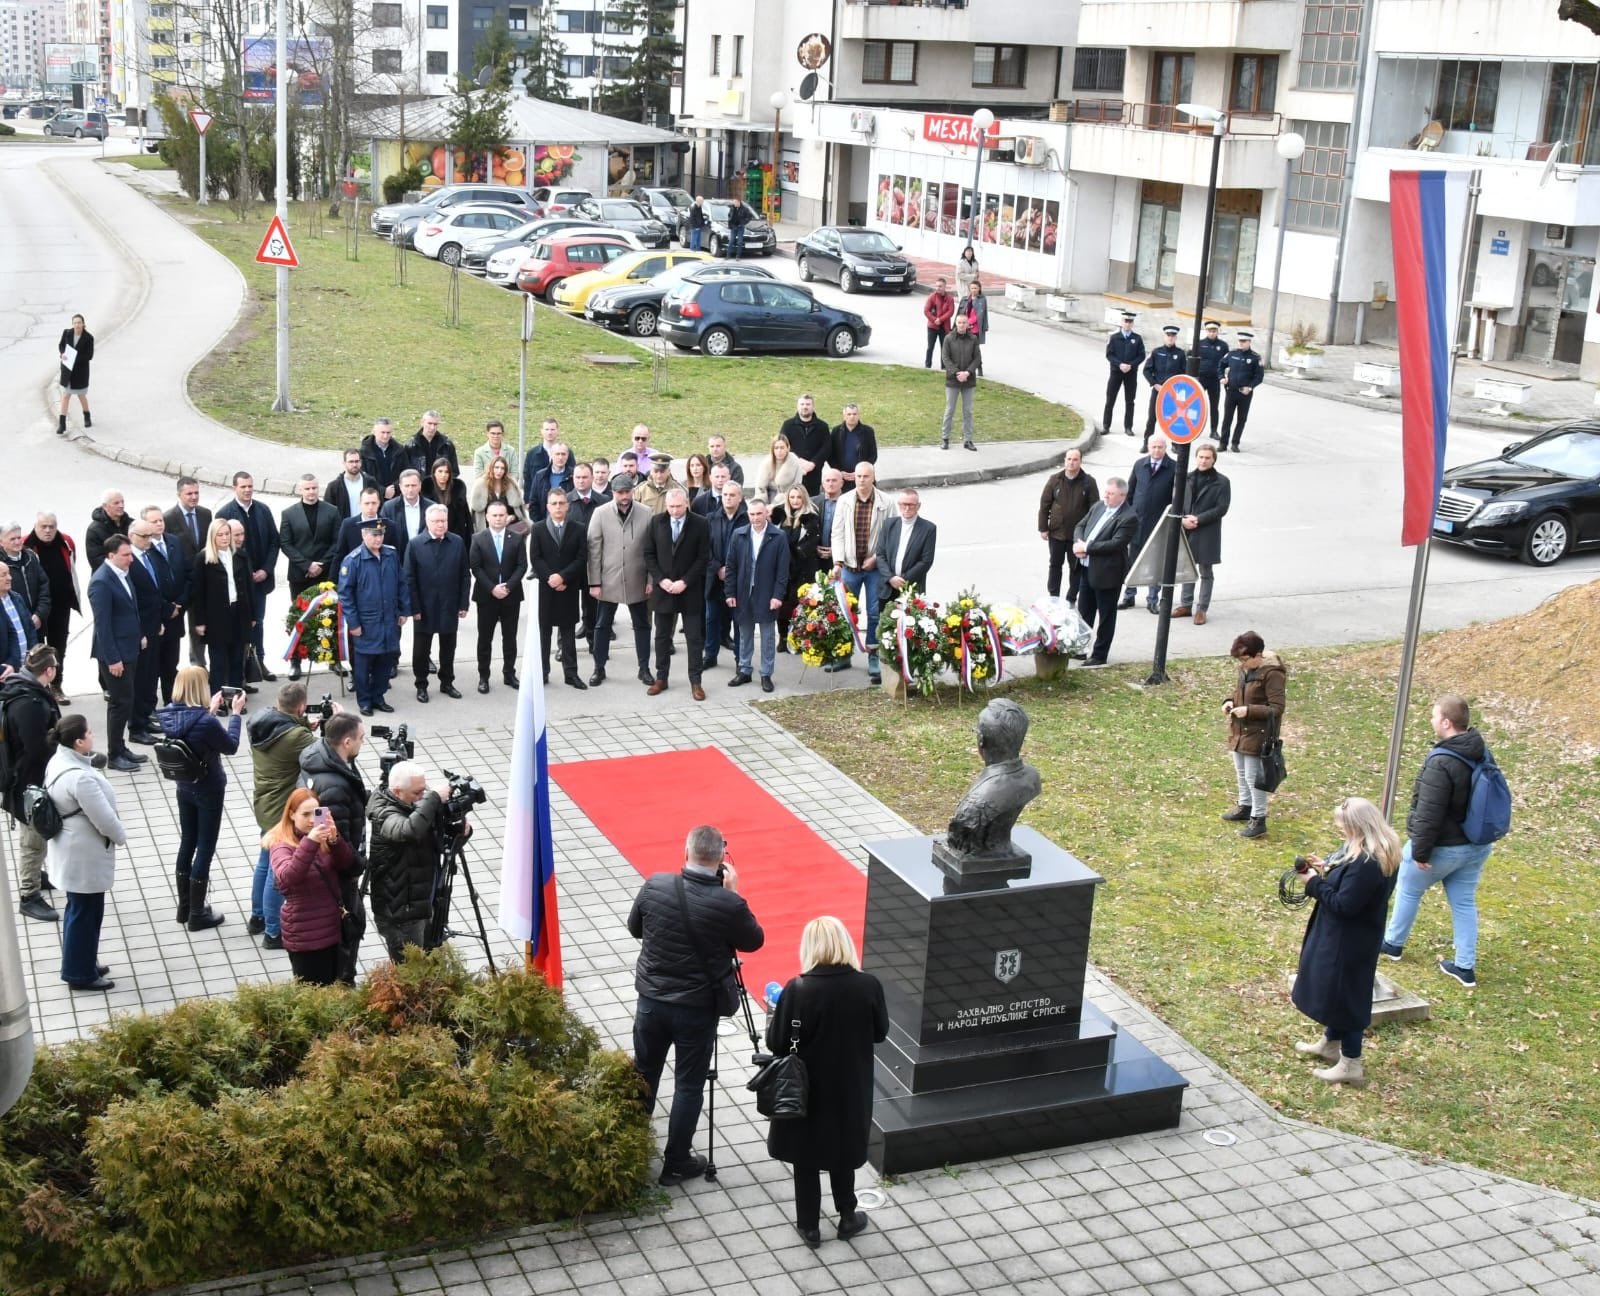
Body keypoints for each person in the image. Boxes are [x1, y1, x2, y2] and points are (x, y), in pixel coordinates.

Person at [628, 824, 765, 1185]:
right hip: (697, 1009)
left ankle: (627, 1151)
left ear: (686, 852)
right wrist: (733, 894)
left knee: (644, 1073)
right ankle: (676, 1162)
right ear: (721, 860)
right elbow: (753, 941)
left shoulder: (655, 885)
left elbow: (635, 929)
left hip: (651, 1002)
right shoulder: (729, 903)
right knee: (688, 1085)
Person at [765, 916, 888, 1247]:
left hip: (807, 1088)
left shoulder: (798, 989)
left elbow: (777, 1043)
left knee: (805, 1155)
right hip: (850, 1086)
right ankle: (847, 1216)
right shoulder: (868, 985)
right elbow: (880, 1033)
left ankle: (809, 1227)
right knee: (842, 1149)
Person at [1380, 694, 1498, 988]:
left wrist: (1420, 852)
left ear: (1446, 722)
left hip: (1444, 848)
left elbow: (1428, 812)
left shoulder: (1442, 761)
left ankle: (1393, 944)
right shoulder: (1480, 750)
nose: (1431, 720)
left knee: (1409, 889)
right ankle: (1465, 967)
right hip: (1476, 846)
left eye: (1434, 716)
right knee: (1464, 903)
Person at [1291, 797, 1401, 1088]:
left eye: (1343, 825)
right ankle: (1330, 1043)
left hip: (1348, 941)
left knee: (1348, 998)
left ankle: (1351, 1062)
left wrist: (1313, 883)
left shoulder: (1367, 863)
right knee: (1338, 992)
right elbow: (1352, 888)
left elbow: (1344, 905)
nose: (1340, 830)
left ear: (1358, 826)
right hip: (1355, 937)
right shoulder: (1376, 851)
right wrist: (1329, 868)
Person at [44, 714, 126, 991]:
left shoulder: (59, 760)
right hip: (83, 854)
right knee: (85, 913)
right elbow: (104, 818)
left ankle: (83, 961)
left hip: (72, 850)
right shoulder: (80, 778)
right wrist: (120, 836)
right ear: (79, 742)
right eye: (89, 732)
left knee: (80, 910)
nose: (93, 735)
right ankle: (80, 973)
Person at [159, 664, 244, 930]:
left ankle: (184, 907)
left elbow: (192, 731)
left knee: (188, 841)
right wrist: (236, 715)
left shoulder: (169, 714)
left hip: (184, 786)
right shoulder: (206, 722)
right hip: (209, 788)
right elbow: (230, 746)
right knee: (205, 847)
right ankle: (198, 914)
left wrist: (210, 711)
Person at [248, 681, 324, 950]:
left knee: (264, 862)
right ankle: (273, 932)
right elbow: (322, 755)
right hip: (282, 810)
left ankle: (257, 917)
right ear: (301, 707)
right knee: (276, 873)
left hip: (264, 803)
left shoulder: (260, 722)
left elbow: (288, 735)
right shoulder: (297, 737)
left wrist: (302, 725)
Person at [297, 712, 369, 983]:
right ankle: (344, 982)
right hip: (338, 876)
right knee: (350, 926)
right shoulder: (334, 787)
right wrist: (357, 865)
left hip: (327, 869)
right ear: (347, 742)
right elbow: (335, 842)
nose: (363, 743)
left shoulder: (318, 758)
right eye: (361, 738)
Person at [268, 788, 359, 986]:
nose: (311, 820)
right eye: (305, 814)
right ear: (291, 814)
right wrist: (310, 842)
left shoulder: (322, 837)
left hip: (332, 929)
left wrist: (335, 840)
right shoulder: (281, 844)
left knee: (335, 987)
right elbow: (287, 878)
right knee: (313, 993)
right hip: (305, 936)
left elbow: (348, 866)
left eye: (316, 813)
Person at [1, 645, 62, 922]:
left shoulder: (25, 690)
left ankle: (37, 874)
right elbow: (37, 749)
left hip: (26, 777)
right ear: (48, 670)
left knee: (36, 835)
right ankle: (29, 895)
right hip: (28, 783)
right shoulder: (30, 704)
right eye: (55, 666)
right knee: (32, 839)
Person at [366, 760, 447, 962]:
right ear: (397, 791)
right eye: (417, 793)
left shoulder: (411, 804)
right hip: (400, 914)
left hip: (420, 903)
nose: (422, 796)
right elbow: (408, 831)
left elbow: (439, 840)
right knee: (411, 972)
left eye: (425, 790)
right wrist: (434, 799)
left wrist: (462, 830)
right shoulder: (384, 813)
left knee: (430, 967)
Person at [586, 472, 654, 688]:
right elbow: (593, 550)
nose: (624, 497)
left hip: (637, 579)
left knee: (642, 625)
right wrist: (594, 582)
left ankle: (644, 668)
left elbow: (652, 550)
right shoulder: (600, 513)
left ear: (632, 491)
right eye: (620, 493)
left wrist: (651, 579)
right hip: (609, 579)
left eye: (627, 492)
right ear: (613, 493)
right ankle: (599, 667)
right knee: (602, 625)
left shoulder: (646, 513)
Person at [338, 518, 411, 716]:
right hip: (366, 622)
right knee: (363, 664)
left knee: (385, 661)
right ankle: (364, 701)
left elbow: (401, 583)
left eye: (381, 535)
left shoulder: (391, 554)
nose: (378, 539)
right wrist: (353, 623)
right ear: (364, 535)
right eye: (374, 535)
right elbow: (345, 595)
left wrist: (404, 610)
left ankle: (379, 697)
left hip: (389, 619)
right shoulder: (353, 560)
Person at [642, 489, 710, 699]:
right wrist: (661, 579)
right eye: (671, 507)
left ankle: (696, 682)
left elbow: (703, 557)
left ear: (686, 503)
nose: (674, 511)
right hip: (664, 589)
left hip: (690, 590)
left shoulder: (700, 523)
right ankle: (661, 678)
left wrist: (685, 581)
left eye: (678, 506)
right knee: (662, 636)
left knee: (694, 638)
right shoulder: (656, 522)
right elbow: (649, 554)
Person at [87, 534, 145, 773]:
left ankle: (121, 747)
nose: (131, 559)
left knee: (127, 700)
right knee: (120, 703)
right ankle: (114, 754)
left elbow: (131, 608)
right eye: (126, 555)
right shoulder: (101, 581)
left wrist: (139, 634)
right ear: (111, 556)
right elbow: (103, 625)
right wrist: (113, 659)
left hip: (129, 648)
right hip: (115, 654)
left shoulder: (122, 572)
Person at [1221, 631, 1287, 840]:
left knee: (1254, 777)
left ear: (1258, 654)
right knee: (1241, 772)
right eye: (1239, 660)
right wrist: (1229, 701)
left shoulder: (1273, 673)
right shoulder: (1246, 669)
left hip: (1259, 733)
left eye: (1245, 659)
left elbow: (1277, 708)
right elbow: (1239, 692)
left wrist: (1249, 711)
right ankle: (1245, 806)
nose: (1241, 664)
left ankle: (1259, 819)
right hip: (1240, 729)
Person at [215, 472, 280, 678]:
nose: (247, 490)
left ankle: (258, 663)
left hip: (259, 580)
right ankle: (239, 670)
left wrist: (266, 570)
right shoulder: (225, 512)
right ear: (234, 488)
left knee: (257, 622)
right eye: (243, 486)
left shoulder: (263, 510)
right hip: (235, 583)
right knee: (237, 626)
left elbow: (274, 541)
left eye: (250, 486)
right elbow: (220, 546)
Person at [828, 463, 890, 679]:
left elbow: (889, 536)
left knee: (874, 612)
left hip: (874, 569)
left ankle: (873, 654)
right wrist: (837, 562)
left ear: (873, 477)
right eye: (859, 476)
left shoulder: (886, 502)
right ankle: (845, 653)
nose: (862, 480)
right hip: (849, 567)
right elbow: (837, 533)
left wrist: (876, 558)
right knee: (847, 612)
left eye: (866, 476)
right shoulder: (845, 501)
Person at [405, 505, 471, 703]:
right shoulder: (415, 544)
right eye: (436, 521)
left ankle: (447, 682)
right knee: (421, 650)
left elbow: (465, 575)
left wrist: (463, 604)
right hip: (424, 607)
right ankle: (421, 685)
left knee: (448, 647)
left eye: (444, 521)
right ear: (427, 522)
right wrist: (414, 608)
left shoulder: (457, 542)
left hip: (449, 604)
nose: (441, 524)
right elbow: (409, 579)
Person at [279, 476, 341, 677]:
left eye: (314, 488)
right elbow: (285, 544)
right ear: (300, 490)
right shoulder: (289, 513)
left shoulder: (332, 511)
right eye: (307, 488)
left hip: (325, 574)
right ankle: (296, 661)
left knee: (329, 616)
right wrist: (307, 565)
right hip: (300, 575)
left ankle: (333, 660)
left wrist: (321, 564)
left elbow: (337, 541)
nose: (311, 492)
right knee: (299, 618)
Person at [1072, 478, 1138, 667]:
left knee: (1106, 616)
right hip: (1087, 568)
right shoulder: (1099, 506)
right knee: (1084, 611)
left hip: (1108, 573)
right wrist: (1078, 543)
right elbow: (1080, 526)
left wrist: (1087, 547)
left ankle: (1099, 655)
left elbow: (1116, 543)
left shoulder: (1128, 517)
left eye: (1110, 493)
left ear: (1122, 496)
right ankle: (1080, 649)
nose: (1106, 496)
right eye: (1106, 492)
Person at [725, 497, 789, 691]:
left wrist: (777, 595)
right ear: (748, 515)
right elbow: (731, 566)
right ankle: (744, 670)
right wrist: (729, 593)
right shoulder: (739, 534)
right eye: (752, 514)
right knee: (744, 634)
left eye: (759, 513)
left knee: (768, 636)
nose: (755, 518)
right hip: (743, 592)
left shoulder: (778, 536)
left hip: (767, 593)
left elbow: (782, 571)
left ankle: (766, 674)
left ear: (766, 513)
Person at [528, 491, 588, 689]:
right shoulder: (538, 529)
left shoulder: (578, 529)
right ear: (547, 506)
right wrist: (551, 578)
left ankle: (571, 674)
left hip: (568, 588)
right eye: (554, 503)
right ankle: (542, 673)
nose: (558, 507)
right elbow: (536, 558)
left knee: (568, 633)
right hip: (546, 590)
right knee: (544, 633)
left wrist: (563, 577)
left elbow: (581, 558)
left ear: (567, 506)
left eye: (561, 503)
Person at [187, 518, 253, 696]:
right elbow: (198, 593)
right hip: (216, 617)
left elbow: (249, 587)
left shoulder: (240, 555)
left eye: (227, 534)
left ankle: (236, 698)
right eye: (220, 535)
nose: (224, 538)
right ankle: (217, 699)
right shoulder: (203, 559)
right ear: (212, 537)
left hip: (238, 612)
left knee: (237, 660)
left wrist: (252, 616)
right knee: (218, 662)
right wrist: (200, 621)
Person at [469, 500, 528, 693]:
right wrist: (492, 588)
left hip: (511, 596)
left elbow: (522, 566)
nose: (498, 519)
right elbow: (476, 567)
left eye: (501, 515)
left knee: (510, 638)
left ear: (507, 517)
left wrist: (508, 587)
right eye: (494, 515)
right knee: (484, 639)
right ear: (487, 517)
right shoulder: (478, 539)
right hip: (486, 597)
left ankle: (509, 673)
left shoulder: (517, 538)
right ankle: (483, 676)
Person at [123, 519, 172, 745]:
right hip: (140, 630)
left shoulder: (149, 555)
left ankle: (145, 717)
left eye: (150, 536)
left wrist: (160, 619)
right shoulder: (129, 562)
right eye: (144, 536)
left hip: (154, 625)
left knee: (151, 675)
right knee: (139, 679)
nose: (149, 541)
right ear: (131, 536)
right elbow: (132, 602)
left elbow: (155, 591)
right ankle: (136, 726)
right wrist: (141, 631)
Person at [25, 513, 80, 701]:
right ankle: (38, 687)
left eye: (52, 526)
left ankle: (56, 685)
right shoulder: (27, 545)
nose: (48, 530)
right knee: (37, 650)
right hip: (37, 609)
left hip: (61, 605)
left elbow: (71, 567)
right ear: (35, 526)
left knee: (58, 648)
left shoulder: (66, 542)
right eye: (43, 526)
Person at [136, 506, 188, 705]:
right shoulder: (144, 550)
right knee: (151, 667)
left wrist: (179, 604)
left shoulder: (174, 541)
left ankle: (171, 702)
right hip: (156, 617)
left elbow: (186, 574)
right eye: (154, 521)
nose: (159, 524)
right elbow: (150, 589)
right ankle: (149, 706)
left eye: (161, 520)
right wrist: (166, 608)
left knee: (170, 664)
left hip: (176, 613)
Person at [1176, 443, 1231, 624]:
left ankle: (1202, 609)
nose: (1204, 461)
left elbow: (1221, 508)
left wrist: (1198, 519)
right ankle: (1185, 605)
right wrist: (1183, 519)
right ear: (1196, 458)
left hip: (1207, 530)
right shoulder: (1186, 478)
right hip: (1187, 528)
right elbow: (1176, 501)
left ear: (1214, 460)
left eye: (1207, 458)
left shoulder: (1222, 482)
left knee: (1206, 571)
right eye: (1201, 457)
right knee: (1187, 568)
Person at [1120, 435, 1175, 612]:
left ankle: (1152, 599)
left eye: (1160, 447)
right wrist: (1128, 513)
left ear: (1165, 448)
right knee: (1133, 560)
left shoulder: (1173, 467)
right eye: (1153, 447)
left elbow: (1176, 497)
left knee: (1155, 562)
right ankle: (1129, 595)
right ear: (1148, 447)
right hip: (1138, 521)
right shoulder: (1140, 465)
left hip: (1158, 523)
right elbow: (1130, 490)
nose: (1156, 450)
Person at [1038, 448, 1099, 603]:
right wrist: (1043, 528)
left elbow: (1095, 510)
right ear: (1064, 460)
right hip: (1057, 533)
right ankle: (1053, 597)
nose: (1071, 462)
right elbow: (1044, 505)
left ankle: (1071, 598)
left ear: (1080, 461)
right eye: (1069, 459)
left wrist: (1089, 533)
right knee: (1055, 565)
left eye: (1075, 459)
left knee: (1076, 568)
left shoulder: (1089, 482)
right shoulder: (1055, 480)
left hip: (1077, 536)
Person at [701, 480, 747, 672]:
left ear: (740, 498)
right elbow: (704, 548)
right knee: (711, 619)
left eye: (732, 495)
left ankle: (741, 660)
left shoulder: (747, 520)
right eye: (725, 495)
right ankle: (710, 655)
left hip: (738, 580)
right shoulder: (710, 519)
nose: (728, 498)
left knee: (738, 622)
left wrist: (730, 571)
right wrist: (717, 568)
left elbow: (750, 551)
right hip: (714, 578)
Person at [876, 490, 937, 618]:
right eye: (904, 504)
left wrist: (903, 580)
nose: (907, 508)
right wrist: (891, 578)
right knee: (884, 624)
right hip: (887, 587)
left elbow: (926, 561)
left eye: (911, 505)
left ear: (918, 506)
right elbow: (880, 555)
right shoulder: (889, 524)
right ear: (899, 504)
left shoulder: (928, 528)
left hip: (912, 588)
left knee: (909, 626)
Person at [773, 485, 820, 650]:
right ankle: (783, 637)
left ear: (804, 498)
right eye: (792, 497)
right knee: (782, 604)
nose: (795, 500)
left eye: (799, 497)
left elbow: (810, 544)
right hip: (782, 568)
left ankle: (799, 638)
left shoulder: (811, 518)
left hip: (803, 569)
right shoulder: (779, 516)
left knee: (801, 605)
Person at [1141, 325, 1187, 451]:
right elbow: (1146, 370)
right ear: (1164, 337)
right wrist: (1155, 384)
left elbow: (1184, 374)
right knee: (1152, 418)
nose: (1170, 338)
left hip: (1173, 393)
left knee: (1174, 419)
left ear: (1176, 338)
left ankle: (1175, 444)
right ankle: (1146, 443)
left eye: (1173, 336)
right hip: (1158, 390)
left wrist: (1177, 389)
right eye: (1168, 335)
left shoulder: (1180, 354)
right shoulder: (1156, 352)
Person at [940, 312, 981, 451]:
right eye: (959, 322)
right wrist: (956, 372)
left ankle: (968, 440)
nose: (962, 325)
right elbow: (945, 358)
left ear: (968, 324)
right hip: (953, 380)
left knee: (968, 411)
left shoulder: (973, 339)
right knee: (950, 410)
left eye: (964, 322)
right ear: (956, 323)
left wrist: (967, 372)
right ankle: (945, 438)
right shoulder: (948, 338)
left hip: (969, 380)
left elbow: (977, 358)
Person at [1219, 331, 1265, 453]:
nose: (1241, 343)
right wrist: (1222, 377)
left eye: (1244, 341)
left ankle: (1235, 443)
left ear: (1249, 342)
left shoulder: (1255, 357)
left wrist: (1250, 387)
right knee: (1227, 418)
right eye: (1240, 341)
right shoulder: (1232, 354)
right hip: (1231, 391)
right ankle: (1223, 443)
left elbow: (1259, 376)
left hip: (1245, 394)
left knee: (1241, 419)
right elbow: (1221, 365)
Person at [1103, 310, 1146, 438]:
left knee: (1130, 401)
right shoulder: (1114, 337)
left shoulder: (1137, 338)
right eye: (1126, 321)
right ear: (1122, 322)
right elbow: (1109, 354)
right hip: (1116, 372)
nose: (1127, 324)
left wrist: (1131, 365)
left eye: (1130, 321)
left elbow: (1141, 355)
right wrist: (1119, 364)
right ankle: (1106, 425)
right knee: (1110, 399)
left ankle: (1128, 427)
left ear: (1132, 323)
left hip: (1131, 373)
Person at [779, 395, 829, 496]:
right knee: (792, 500)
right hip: (792, 472)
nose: (805, 407)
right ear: (798, 407)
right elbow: (782, 445)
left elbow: (826, 448)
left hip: (814, 474)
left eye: (808, 404)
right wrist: (798, 461)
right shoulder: (788, 425)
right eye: (802, 404)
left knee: (812, 501)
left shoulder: (822, 426)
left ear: (813, 407)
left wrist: (813, 463)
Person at [378, 468, 427, 562]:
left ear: (420, 485)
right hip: (397, 559)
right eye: (407, 486)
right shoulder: (389, 508)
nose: (410, 489)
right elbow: (383, 536)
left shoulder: (431, 507)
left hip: (424, 559)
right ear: (400, 487)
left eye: (414, 485)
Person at [421, 457, 472, 544]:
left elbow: (466, 516)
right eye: (440, 471)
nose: (443, 475)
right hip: (433, 535)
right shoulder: (426, 492)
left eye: (446, 472)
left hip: (455, 535)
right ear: (434, 473)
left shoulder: (458, 491)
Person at [57, 313, 94, 433]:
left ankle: (87, 416)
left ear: (83, 324)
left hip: (80, 372)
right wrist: (63, 353)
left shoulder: (88, 338)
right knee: (65, 396)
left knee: (81, 396)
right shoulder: (67, 333)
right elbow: (61, 345)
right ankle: (62, 424)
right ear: (72, 324)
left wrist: (73, 358)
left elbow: (89, 355)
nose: (77, 325)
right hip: (67, 371)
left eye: (79, 323)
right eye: (75, 323)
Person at [469, 455, 525, 531]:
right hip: (486, 529)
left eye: (502, 468)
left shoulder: (511, 485)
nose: (499, 471)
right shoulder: (480, 485)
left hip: (509, 528)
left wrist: (511, 518)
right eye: (496, 467)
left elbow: (519, 512)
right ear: (491, 468)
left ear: (505, 470)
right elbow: (475, 514)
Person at [828, 405, 877, 488]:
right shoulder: (836, 431)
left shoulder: (868, 431)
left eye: (854, 414)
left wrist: (861, 472)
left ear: (858, 415)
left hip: (862, 477)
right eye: (849, 414)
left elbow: (873, 455)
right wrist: (839, 472)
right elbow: (831, 455)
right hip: (842, 477)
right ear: (844, 416)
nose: (852, 417)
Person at [527, 443, 576, 525]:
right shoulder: (540, 476)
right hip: (545, 524)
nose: (560, 457)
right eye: (557, 454)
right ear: (551, 455)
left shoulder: (574, 476)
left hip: (569, 525)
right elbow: (533, 503)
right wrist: (540, 524)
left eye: (563, 454)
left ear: (567, 456)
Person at [360, 416, 408, 501]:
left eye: (388, 432)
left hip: (396, 496)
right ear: (374, 432)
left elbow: (406, 472)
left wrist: (394, 488)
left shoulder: (399, 451)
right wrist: (382, 491)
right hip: (373, 498)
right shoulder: (364, 452)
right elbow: (363, 475)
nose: (385, 436)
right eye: (382, 432)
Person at [0, 563, 36, 673]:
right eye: (4, 575)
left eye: (9, 573)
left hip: (26, 666)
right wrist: (10, 664)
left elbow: (30, 629)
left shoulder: (17, 598)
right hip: (7, 670)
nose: (9, 578)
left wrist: (33, 656)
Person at [1196, 321, 1228, 441]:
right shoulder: (1199, 344)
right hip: (1201, 378)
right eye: (1209, 331)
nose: (1212, 333)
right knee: (1196, 404)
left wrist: (1224, 376)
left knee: (1214, 406)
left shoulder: (1223, 346)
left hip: (1215, 380)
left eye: (1214, 331)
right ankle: (1194, 428)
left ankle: (1214, 431)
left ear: (1217, 332)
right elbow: (1191, 360)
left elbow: (1226, 362)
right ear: (1206, 331)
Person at [751, 434, 804, 506]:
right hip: (768, 498)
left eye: (782, 448)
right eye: (776, 448)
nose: (779, 451)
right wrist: (761, 503)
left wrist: (775, 504)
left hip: (788, 500)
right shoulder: (766, 463)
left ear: (788, 448)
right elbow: (760, 488)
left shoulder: (795, 463)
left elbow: (797, 487)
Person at [324, 449, 378, 520]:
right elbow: (328, 512)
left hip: (368, 524)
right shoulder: (334, 487)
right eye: (351, 462)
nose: (354, 465)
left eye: (357, 461)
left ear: (361, 462)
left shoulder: (370, 482)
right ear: (344, 463)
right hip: (345, 525)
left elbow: (379, 505)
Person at [85, 489, 129, 571]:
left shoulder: (131, 524)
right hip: (109, 573)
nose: (121, 505)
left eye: (122, 502)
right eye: (116, 503)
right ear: (105, 506)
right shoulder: (94, 530)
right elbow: (96, 560)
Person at [336, 487, 385, 561]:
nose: (370, 507)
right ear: (360, 503)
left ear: (379, 503)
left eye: (374, 503)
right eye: (367, 503)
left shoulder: (388, 525)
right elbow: (340, 554)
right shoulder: (348, 525)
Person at [408, 409, 459, 480]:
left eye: (435, 424)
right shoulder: (410, 446)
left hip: (441, 485)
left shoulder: (447, 445)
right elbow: (405, 472)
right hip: (419, 485)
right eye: (429, 423)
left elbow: (454, 471)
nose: (432, 427)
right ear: (422, 422)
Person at [812, 468, 845, 575]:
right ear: (823, 483)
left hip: (841, 562)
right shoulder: (812, 503)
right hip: (816, 560)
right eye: (827, 480)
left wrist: (837, 551)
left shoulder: (849, 503)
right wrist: (814, 548)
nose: (830, 484)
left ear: (842, 483)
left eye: (834, 480)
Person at [470, 418, 522, 483]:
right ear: (487, 434)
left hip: (506, 486)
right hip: (487, 487)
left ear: (503, 434)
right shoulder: (479, 452)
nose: (496, 436)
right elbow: (478, 476)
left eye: (498, 433)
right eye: (493, 433)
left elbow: (515, 474)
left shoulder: (511, 451)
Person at [634, 451, 683, 515]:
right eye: (656, 471)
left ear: (669, 471)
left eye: (662, 472)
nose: (659, 475)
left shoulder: (679, 490)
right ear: (651, 471)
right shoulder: (640, 490)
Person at [923, 277, 955, 368]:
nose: (938, 288)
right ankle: (927, 366)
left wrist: (940, 319)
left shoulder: (950, 298)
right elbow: (926, 310)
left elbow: (950, 312)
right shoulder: (932, 297)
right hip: (932, 327)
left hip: (944, 327)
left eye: (940, 286)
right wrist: (934, 320)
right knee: (930, 347)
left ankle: (944, 367)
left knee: (944, 349)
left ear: (945, 286)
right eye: (936, 286)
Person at [961, 279, 989, 351]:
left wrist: (968, 322)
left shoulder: (982, 300)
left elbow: (979, 315)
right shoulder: (965, 299)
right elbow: (961, 313)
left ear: (979, 289)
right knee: (964, 348)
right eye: (972, 288)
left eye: (975, 288)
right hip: (964, 327)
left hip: (975, 328)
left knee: (974, 349)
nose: (973, 290)